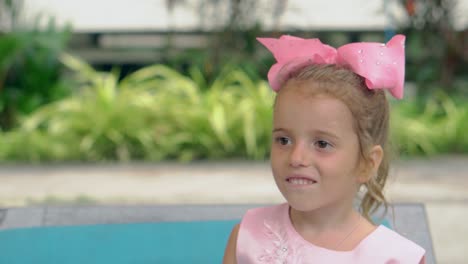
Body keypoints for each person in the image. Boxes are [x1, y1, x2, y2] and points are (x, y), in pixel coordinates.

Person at [223, 35, 426, 263]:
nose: (297, 158)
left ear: (367, 163)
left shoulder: (394, 258)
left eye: (322, 144)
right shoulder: (248, 238)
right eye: (284, 140)